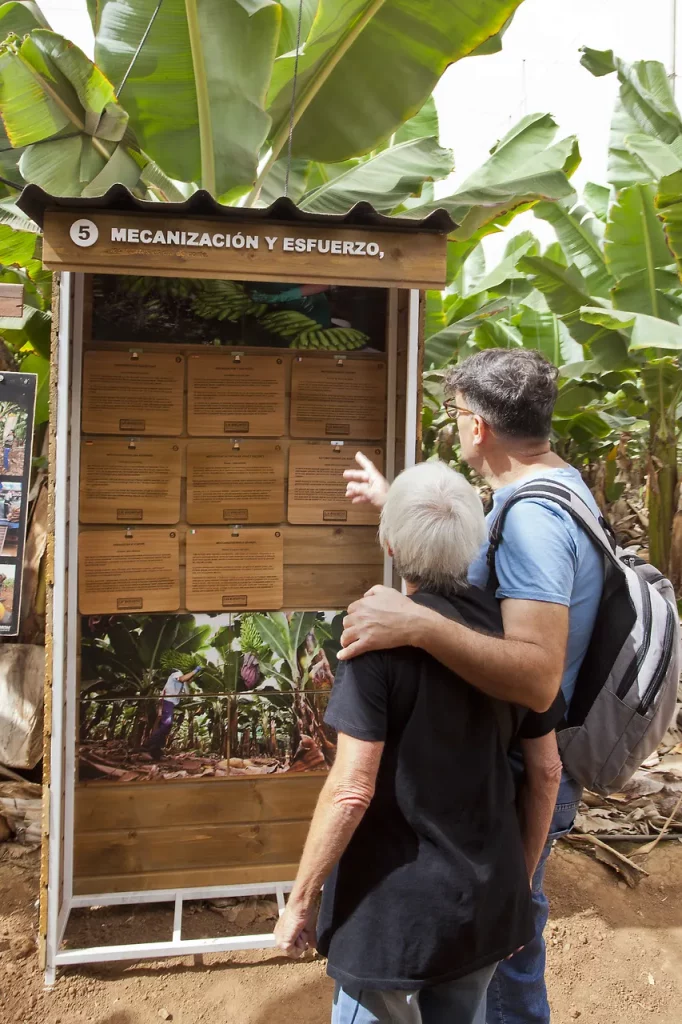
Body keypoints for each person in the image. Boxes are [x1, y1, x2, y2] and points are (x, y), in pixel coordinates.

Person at [339, 348, 604, 1024]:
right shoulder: (557, 486)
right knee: (491, 951)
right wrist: (401, 501)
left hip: (513, 776)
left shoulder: (535, 522)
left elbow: (538, 673)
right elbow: (475, 548)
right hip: (516, 767)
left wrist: (416, 626)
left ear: (479, 427)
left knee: (501, 956)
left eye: (456, 414)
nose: (454, 427)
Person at [275, 461, 564, 1024]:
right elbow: (546, 772)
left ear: (386, 540)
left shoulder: (375, 640)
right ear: (476, 542)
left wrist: (300, 902)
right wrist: (517, 887)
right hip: (482, 908)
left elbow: (350, 791)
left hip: (389, 923)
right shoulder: (516, 640)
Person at [145, 666, 202, 760]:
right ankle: (152, 742)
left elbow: (187, 694)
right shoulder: (177, 674)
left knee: (166, 727)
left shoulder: (182, 681)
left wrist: (187, 683)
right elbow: (182, 678)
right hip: (166, 701)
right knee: (167, 723)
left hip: (170, 703)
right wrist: (195, 671)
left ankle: (156, 749)